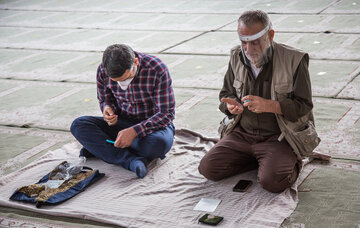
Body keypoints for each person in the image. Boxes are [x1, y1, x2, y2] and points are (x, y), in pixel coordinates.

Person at [198, 10, 320, 193]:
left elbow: (304, 105)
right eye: (244, 42)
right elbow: (226, 93)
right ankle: (260, 160)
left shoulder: (294, 59)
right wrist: (231, 106)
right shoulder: (236, 56)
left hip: (278, 137)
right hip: (242, 134)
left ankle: (290, 161)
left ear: (270, 35)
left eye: (255, 42)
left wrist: (272, 106)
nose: (248, 49)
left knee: (272, 182)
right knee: (208, 169)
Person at [71, 44, 175, 178]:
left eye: (126, 79)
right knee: (78, 125)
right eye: (117, 81)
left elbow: (166, 114)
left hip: (152, 128)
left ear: (135, 62)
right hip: (120, 124)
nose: (123, 85)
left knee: (158, 145)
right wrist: (107, 109)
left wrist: (134, 131)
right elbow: (105, 99)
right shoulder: (103, 70)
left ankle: (104, 149)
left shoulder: (156, 69)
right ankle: (131, 161)